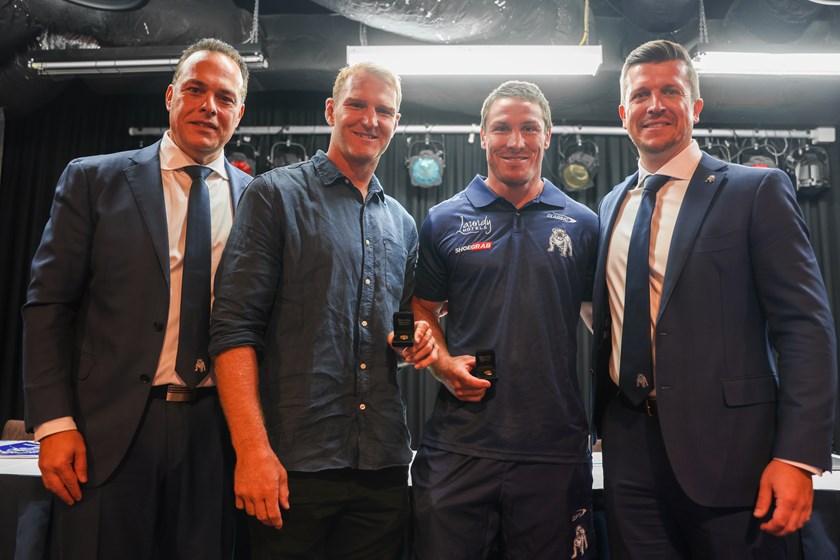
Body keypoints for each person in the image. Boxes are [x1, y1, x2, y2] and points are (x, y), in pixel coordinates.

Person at [590, 39, 837, 558]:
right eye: (640, 95)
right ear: (623, 112)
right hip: (627, 447)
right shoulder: (612, 204)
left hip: (733, 453)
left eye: (670, 91)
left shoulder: (756, 190)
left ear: (695, 107)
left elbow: (804, 328)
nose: (654, 104)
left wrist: (797, 457)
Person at [22, 38, 250, 558]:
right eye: (195, 90)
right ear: (170, 96)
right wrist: (53, 424)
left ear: (239, 111)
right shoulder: (93, 179)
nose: (208, 106)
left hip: (214, 436)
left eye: (224, 96)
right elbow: (47, 307)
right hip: (108, 433)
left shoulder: (257, 200)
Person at [209, 62, 437, 560]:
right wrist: (251, 452)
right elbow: (232, 331)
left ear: (397, 122)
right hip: (292, 467)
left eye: (384, 110)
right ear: (332, 110)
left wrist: (413, 340)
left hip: (381, 466)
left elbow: (398, 330)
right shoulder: (274, 195)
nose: (370, 119)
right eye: (357, 104)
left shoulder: (401, 222)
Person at [410, 81, 599, 559]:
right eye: (502, 128)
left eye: (528, 128)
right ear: (481, 135)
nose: (516, 141)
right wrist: (442, 364)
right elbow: (421, 308)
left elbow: (608, 325)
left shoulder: (583, 222)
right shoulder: (442, 220)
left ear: (548, 136)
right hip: (459, 447)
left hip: (552, 449)